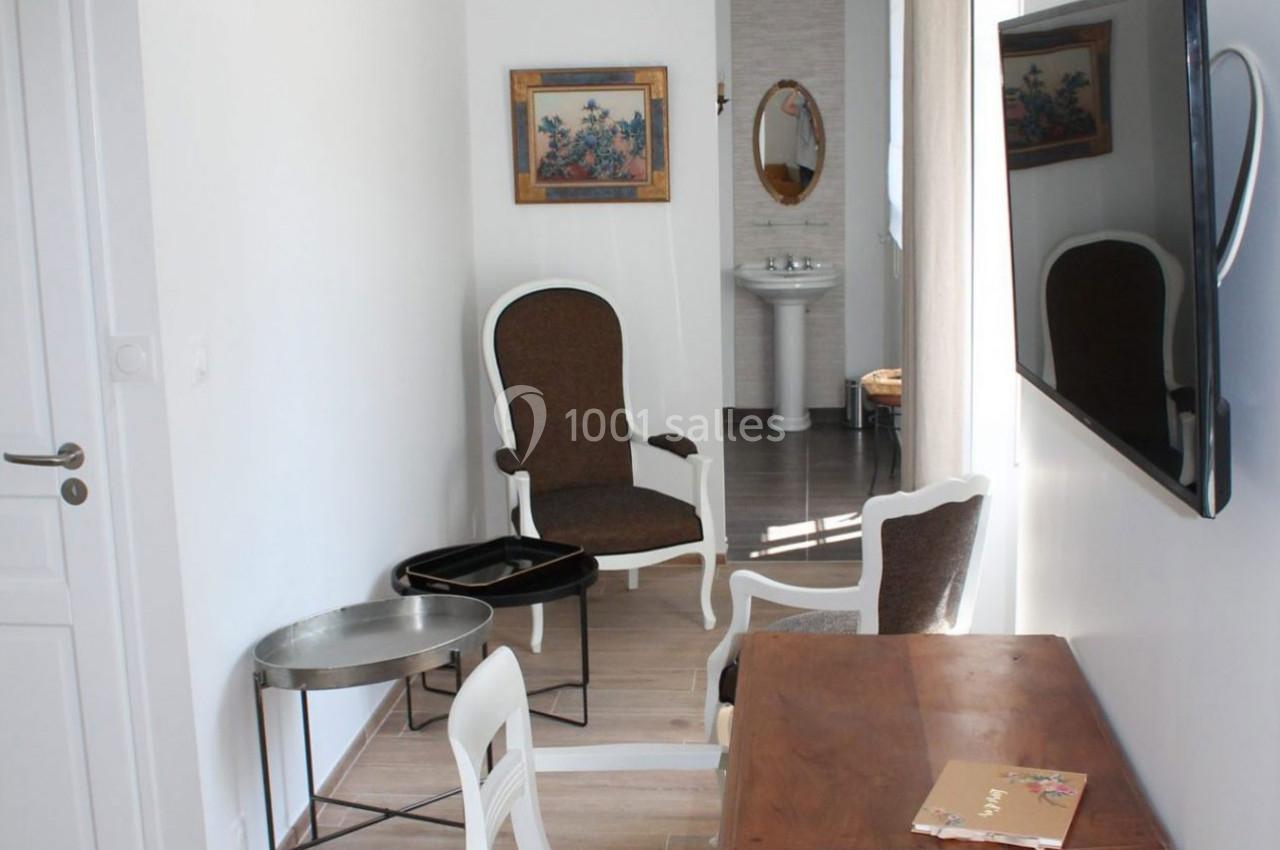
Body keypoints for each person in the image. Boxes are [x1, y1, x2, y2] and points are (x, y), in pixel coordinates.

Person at [781, 88, 819, 189]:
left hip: (819, 163)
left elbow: (818, 134)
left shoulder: (820, 112)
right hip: (805, 164)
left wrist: (813, 111)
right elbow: (785, 107)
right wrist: (796, 91)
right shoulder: (802, 110)